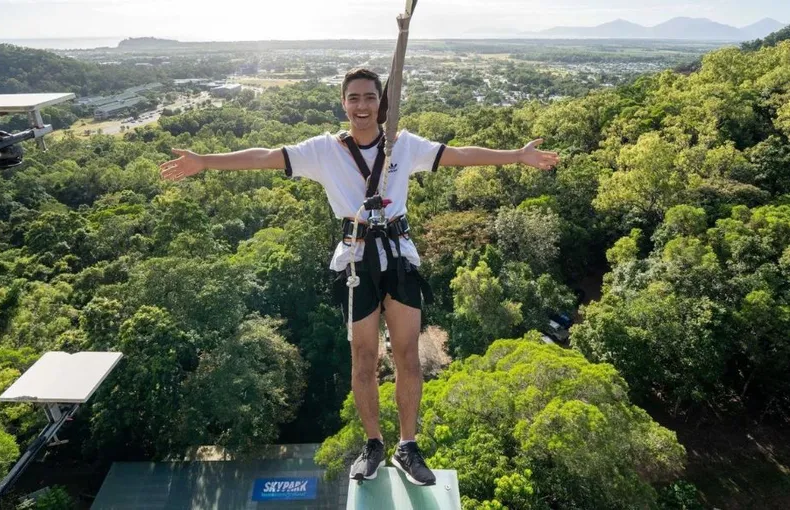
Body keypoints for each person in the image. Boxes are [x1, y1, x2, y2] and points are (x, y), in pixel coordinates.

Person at [159, 68, 559, 486]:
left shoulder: (403, 145)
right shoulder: (324, 151)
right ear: (343, 103)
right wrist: (205, 162)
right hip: (355, 260)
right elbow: (263, 156)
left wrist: (517, 154)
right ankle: (373, 444)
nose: (363, 106)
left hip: (399, 256)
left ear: (382, 104)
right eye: (354, 98)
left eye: (370, 98)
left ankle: (408, 445)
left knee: (407, 354)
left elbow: (458, 154)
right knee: (365, 357)